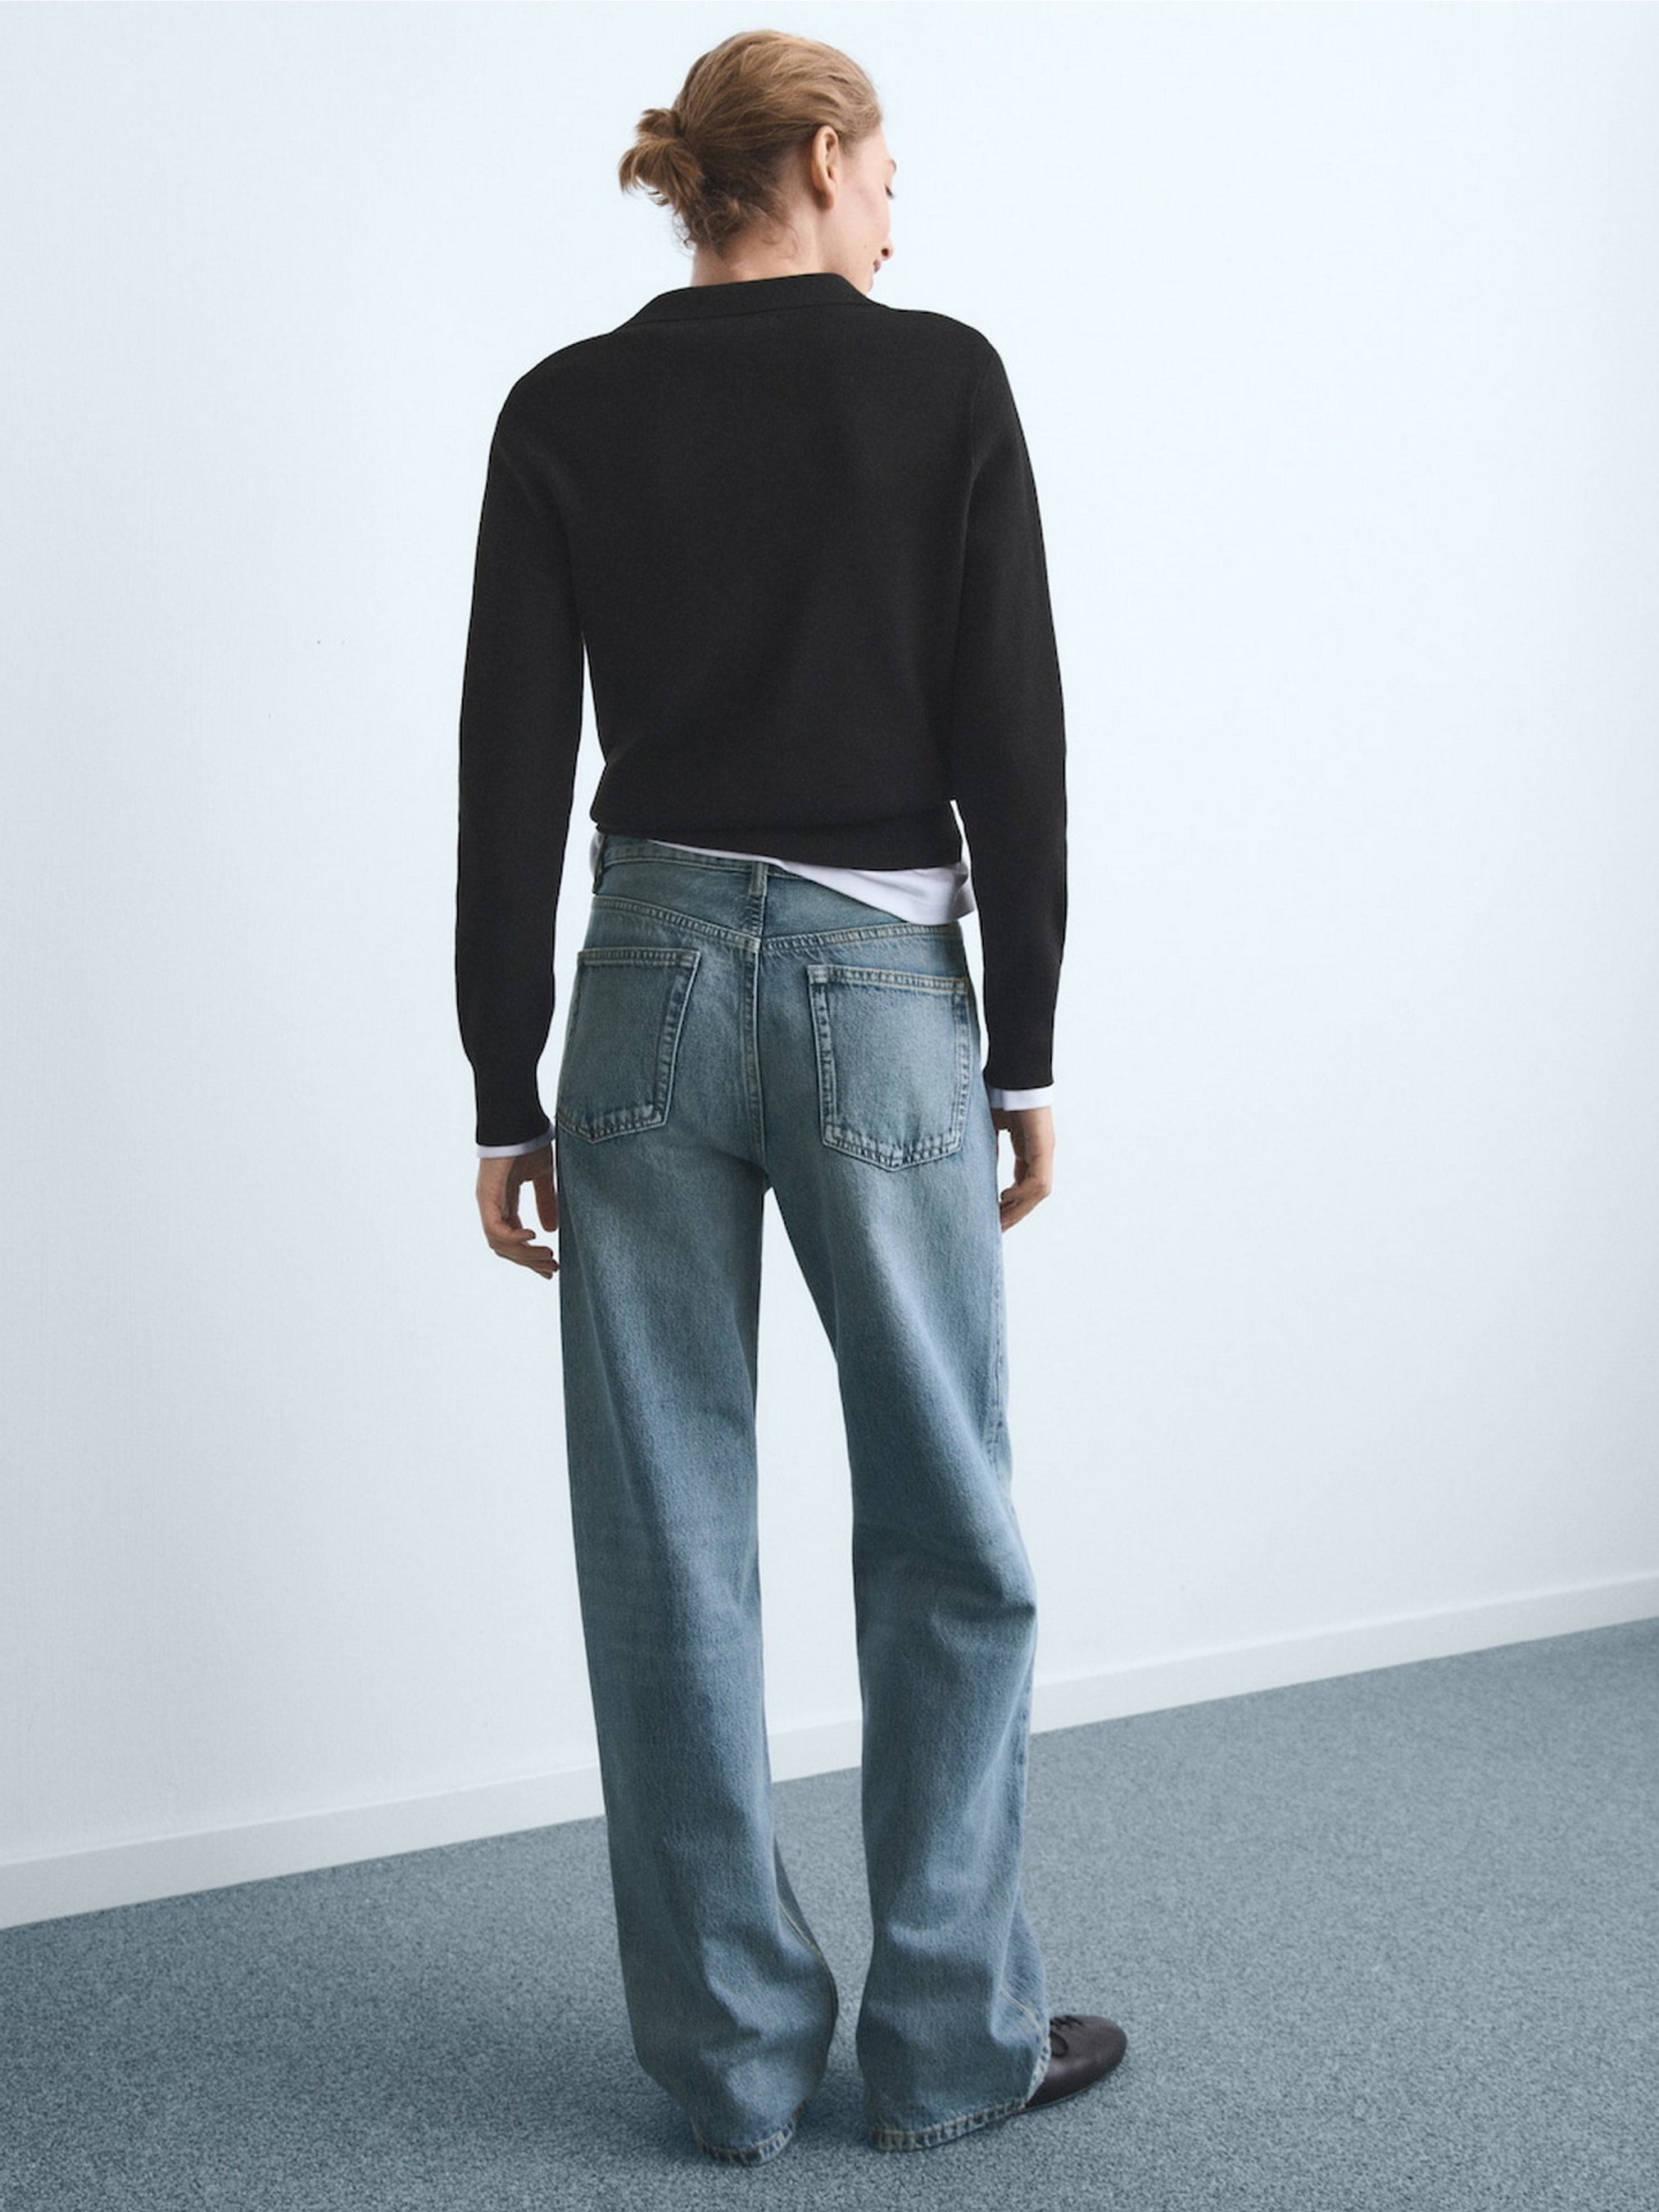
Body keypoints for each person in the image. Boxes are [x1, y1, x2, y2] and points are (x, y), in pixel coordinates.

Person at [455, 27, 1126, 2165]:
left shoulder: (564, 404)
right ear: (823, 158)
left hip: (642, 985)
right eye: (889, 171)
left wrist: (501, 1079)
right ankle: (945, 2044)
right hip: (875, 989)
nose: (900, 213)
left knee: (662, 1537)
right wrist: (1025, 1039)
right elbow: (1010, 724)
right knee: (945, 1521)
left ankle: (735, 2059)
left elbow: (507, 756)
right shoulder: (940, 380)